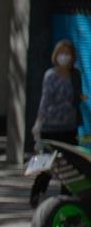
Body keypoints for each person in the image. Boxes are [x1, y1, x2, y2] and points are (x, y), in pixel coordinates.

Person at [32, 39, 84, 205]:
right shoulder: (50, 75)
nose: (64, 57)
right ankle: (37, 191)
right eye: (61, 53)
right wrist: (38, 123)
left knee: (69, 165)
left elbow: (77, 97)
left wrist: (80, 98)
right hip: (51, 127)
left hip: (69, 127)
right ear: (56, 55)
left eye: (67, 53)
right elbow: (45, 100)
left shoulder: (75, 75)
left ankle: (66, 198)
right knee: (48, 164)